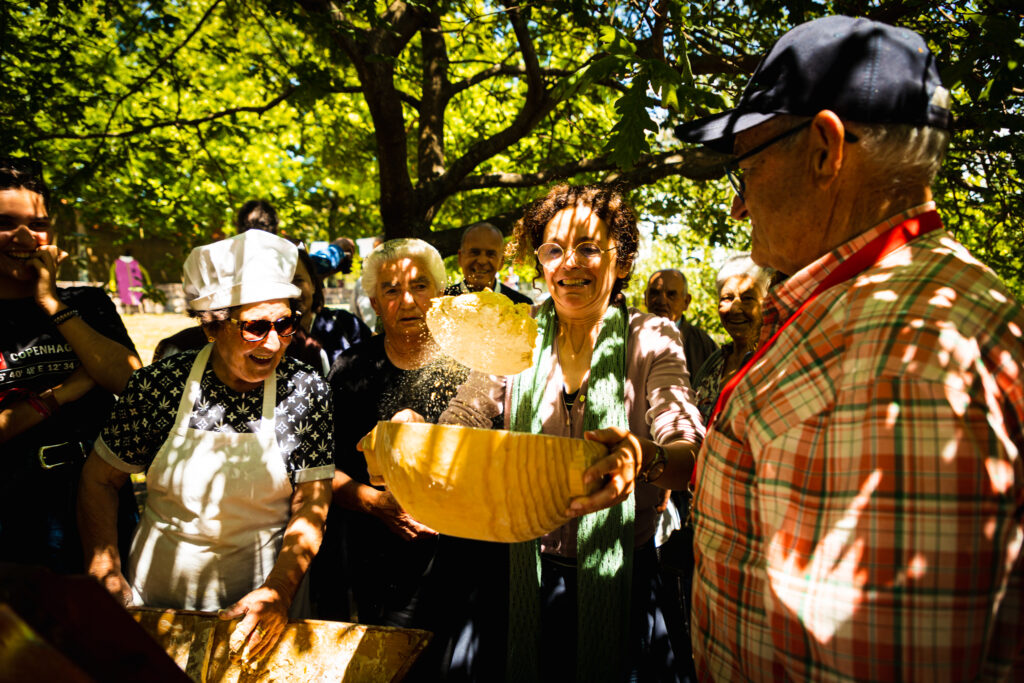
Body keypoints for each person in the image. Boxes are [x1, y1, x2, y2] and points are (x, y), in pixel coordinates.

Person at [675, 15, 1023, 680]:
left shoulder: (896, 366)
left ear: (825, 149)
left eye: (746, 167)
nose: (738, 207)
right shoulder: (904, 308)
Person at [439, 184, 704, 681]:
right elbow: (466, 416)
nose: (569, 263)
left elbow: (686, 450)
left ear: (621, 262)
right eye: (554, 250)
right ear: (539, 263)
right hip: (520, 575)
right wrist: (424, 439)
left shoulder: (652, 337)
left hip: (624, 579)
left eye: (588, 248)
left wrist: (645, 458)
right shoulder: (516, 330)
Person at [78, 229, 334, 663]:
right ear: (214, 325)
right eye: (255, 326)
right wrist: (105, 568)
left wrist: (278, 590)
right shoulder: (159, 385)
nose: (272, 343)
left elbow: (312, 502)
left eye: (284, 324)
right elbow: (99, 478)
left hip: (262, 602)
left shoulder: (305, 390)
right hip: (158, 598)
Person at [312, 238, 481, 679]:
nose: (408, 300)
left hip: (463, 562)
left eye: (420, 285)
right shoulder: (349, 369)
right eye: (391, 290)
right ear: (373, 302)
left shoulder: (473, 367)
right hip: (376, 567)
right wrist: (374, 502)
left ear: (441, 293)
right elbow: (321, 471)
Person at [0, 156, 141, 575]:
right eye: (6, 222)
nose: (26, 235)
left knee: (112, 634)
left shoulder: (88, 304)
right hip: (14, 513)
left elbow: (132, 380)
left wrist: (52, 305)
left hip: (100, 505)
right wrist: (66, 392)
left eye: (38, 224)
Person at [689, 254, 770, 421]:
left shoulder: (772, 359)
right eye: (727, 298)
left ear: (765, 303)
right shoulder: (713, 364)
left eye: (747, 298)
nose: (735, 308)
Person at [289, 248, 369, 375]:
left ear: (313, 285)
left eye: (298, 281)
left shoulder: (346, 323)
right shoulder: (271, 337)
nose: (293, 291)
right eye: (285, 283)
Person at [444, 222, 533, 305]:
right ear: (460, 258)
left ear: (501, 261)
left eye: (491, 254)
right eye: (475, 252)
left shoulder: (521, 305)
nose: (482, 261)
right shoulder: (442, 302)